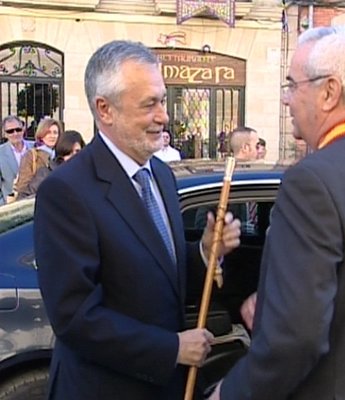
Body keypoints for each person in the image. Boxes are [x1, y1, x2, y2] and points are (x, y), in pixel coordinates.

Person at [209, 26, 345, 400]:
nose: (286, 99)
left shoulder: (311, 181)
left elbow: (295, 338)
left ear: (329, 92)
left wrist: (229, 393)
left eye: (293, 85)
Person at [34, 40, 241, 400]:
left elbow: (158, 272)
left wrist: (205, 252)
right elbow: (76, 318)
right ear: (105, 109)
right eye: (149, 104)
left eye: (162, 101)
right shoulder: (66, 191)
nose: (164, 116)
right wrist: (171, 349)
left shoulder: (161, 175)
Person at [17, 130, 85, 200]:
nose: (74, 156)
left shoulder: (87, 174)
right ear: (61, 153)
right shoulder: (46, 174)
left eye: (77, 151)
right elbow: (23, 198)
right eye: (68, 152)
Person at [16, 117, 62, 198]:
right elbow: (23, 188)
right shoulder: (31, 155)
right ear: (41, 134)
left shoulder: (61, 155)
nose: (52, 136)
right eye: (48, 132)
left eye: (55, 133)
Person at [0, 115, 33, 205]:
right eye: (10, 131)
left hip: (34, 202)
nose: (15, 134)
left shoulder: (35, 148)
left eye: (18, 129)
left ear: (23, 129)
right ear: (5, 134)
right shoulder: (1, 153)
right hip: (10, 206)